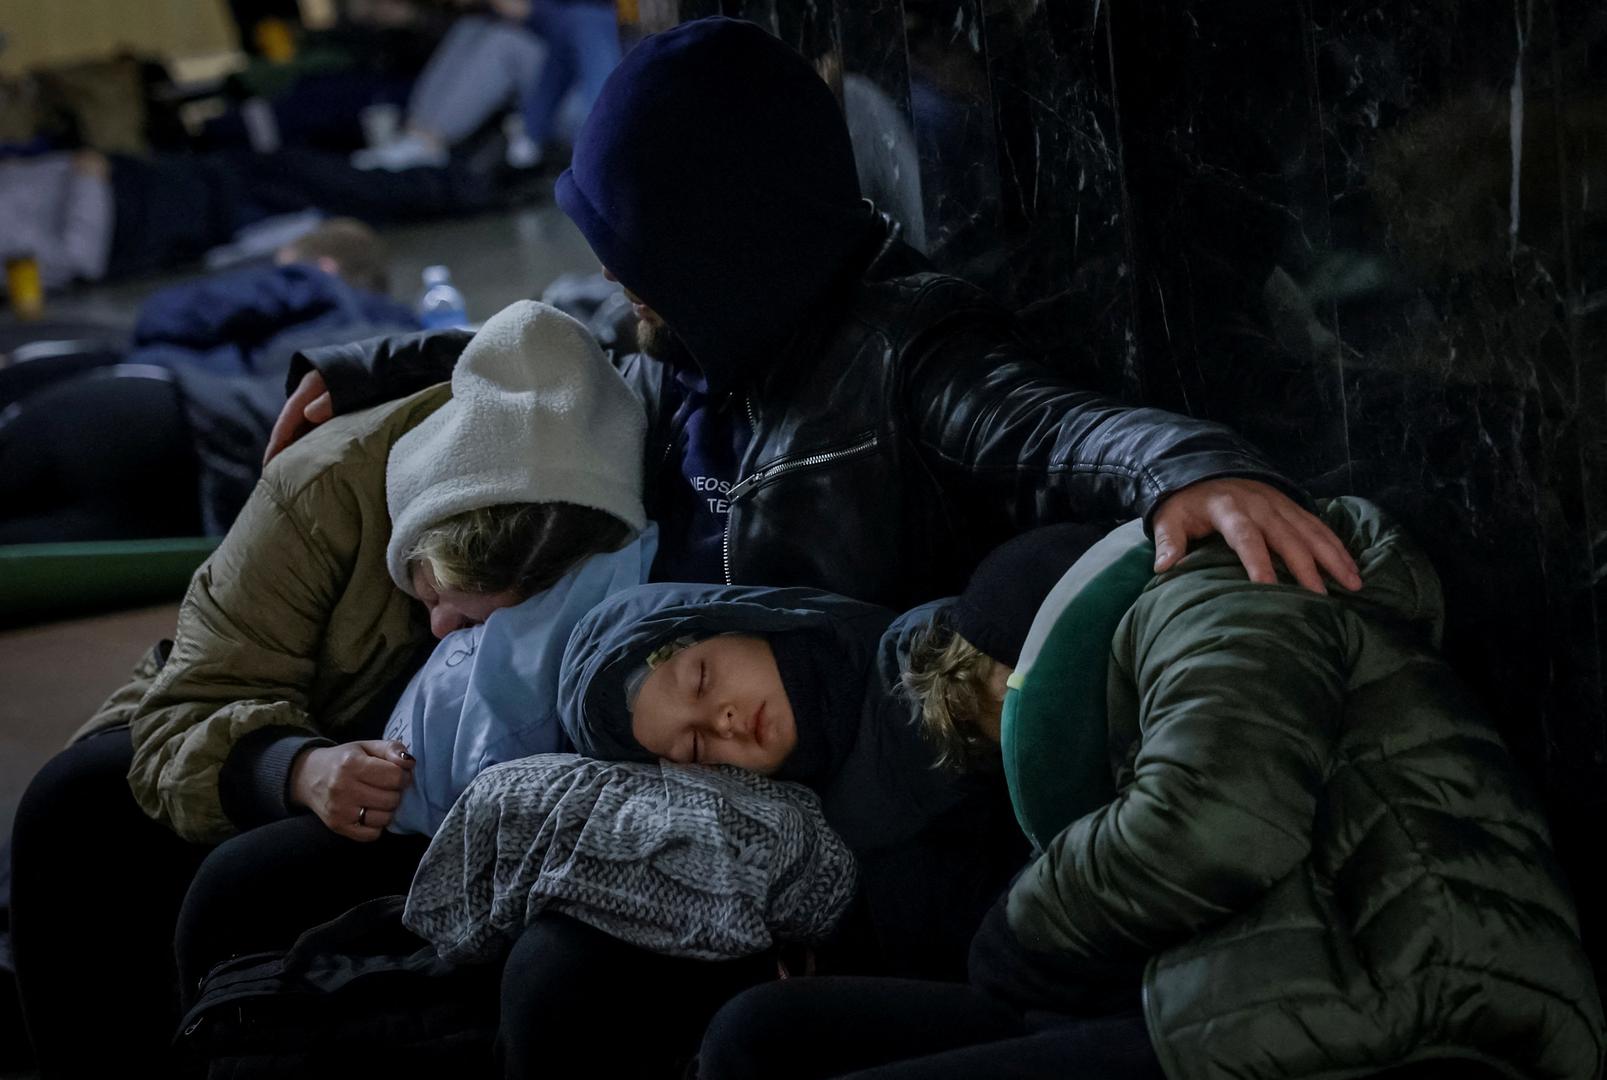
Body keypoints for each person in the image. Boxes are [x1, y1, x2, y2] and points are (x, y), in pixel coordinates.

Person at [267, 15, 1363, 613]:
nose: (621, 287)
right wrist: (377, 367)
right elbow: (552, 343)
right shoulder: (685, 340)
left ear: (726, 244)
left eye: (640, 259)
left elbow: (1059, 426)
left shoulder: (902, 354)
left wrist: (1192, 470)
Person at [696, 502, 1605, 1080]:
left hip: (1404, 993)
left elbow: (1215, 822)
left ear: (1022, 663)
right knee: (762, 1037)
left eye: (993, 717)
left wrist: (1023, 929)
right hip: (1255, 964)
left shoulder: (1219, 601)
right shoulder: (1172, 646)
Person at [8, 300, 648, 1078]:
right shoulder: (315, 491)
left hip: (423, 781)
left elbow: (591, 333)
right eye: (432, 591)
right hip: (250, 729)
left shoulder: (594, 484)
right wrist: (295, 769)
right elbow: (186, 707)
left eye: (481, 618)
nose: (445, 627)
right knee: (75, 804)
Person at [458, 580, 1027, 1077]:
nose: (723, 721)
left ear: (739, 623)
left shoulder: (922, 658)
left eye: (702, 679)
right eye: (698, 745)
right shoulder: (786, 842)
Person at [0, 218, 419, 543]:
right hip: (211, 491)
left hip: (158, 407)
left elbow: (167, 315)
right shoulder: (407, 344)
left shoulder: (311, 282)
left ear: (324, 266)